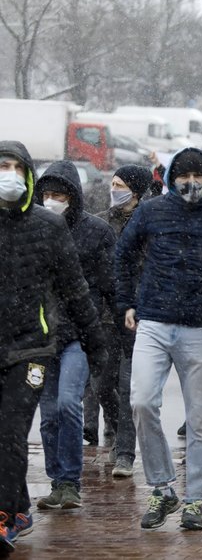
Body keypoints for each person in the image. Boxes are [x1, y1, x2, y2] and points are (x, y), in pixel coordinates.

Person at [115, 147, 202, 531]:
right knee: (141, 401)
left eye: (197, 174)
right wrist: (126, 302)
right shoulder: (151, 211)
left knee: (201, 420)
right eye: (182, 175)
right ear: (170, 177)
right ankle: (162, 486)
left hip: (201, 324)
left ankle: (194, 500)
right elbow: (123, 254)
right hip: (153, 318)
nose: (190, 182)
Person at [0, 141, 108, 554]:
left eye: (15, 167)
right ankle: (20, 504)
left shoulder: (48, 227)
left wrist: (98, 345)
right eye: (1, 166)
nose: (8, 173)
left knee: (10, 433)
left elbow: (76, 290)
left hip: (31, 349)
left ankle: (5, 517)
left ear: (27, 174)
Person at [33, 162, 116, 512]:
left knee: (69, 402)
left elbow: (110, 281)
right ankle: (58, 481)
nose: (53, 201)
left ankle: (70, 481)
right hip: (39, 336)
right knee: (49, 413)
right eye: (47, 194)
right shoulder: (32, 228)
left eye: (60, 195)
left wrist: (124, 315)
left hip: (79, 334)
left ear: (74, 196)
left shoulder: (96, 232)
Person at [94, 164, 154, 479]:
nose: (113, 188)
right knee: (101, 384)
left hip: (137, 316)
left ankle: (125, 453)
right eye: (112, 183)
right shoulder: (101, 223)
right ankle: (117, 425)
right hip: (105, 316)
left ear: (135, 190)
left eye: (120, 184)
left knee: (128, 384)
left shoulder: (149, 223)